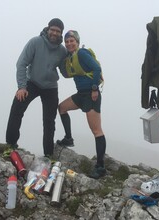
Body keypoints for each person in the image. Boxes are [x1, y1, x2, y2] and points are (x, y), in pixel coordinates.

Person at [6, 18, 67, 158]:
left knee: (49, 121)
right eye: (52, 29)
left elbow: (65, 72)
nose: (54, 33)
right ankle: (11, 145)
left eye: (58, 31)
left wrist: (74, 60)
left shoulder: (62, 51)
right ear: (48, 29)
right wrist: (21, 87)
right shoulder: (35, 42)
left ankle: (48, 154)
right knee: (17, 108)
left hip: (50, 87)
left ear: (61, 34)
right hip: (32, 83)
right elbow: (21, 64)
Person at [57, 30, 106, 179]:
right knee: (62, 108)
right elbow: (66, 74)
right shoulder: (71, 58)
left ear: (77, 42)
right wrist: (59, 61)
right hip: (81, 94)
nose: (69, 43)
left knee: (96, 131)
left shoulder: (82, 53)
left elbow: (97, 68)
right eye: (67, 41)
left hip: (91, 94)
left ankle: (100, 166)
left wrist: (94, 89)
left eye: (72, 41)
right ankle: (68, 138)